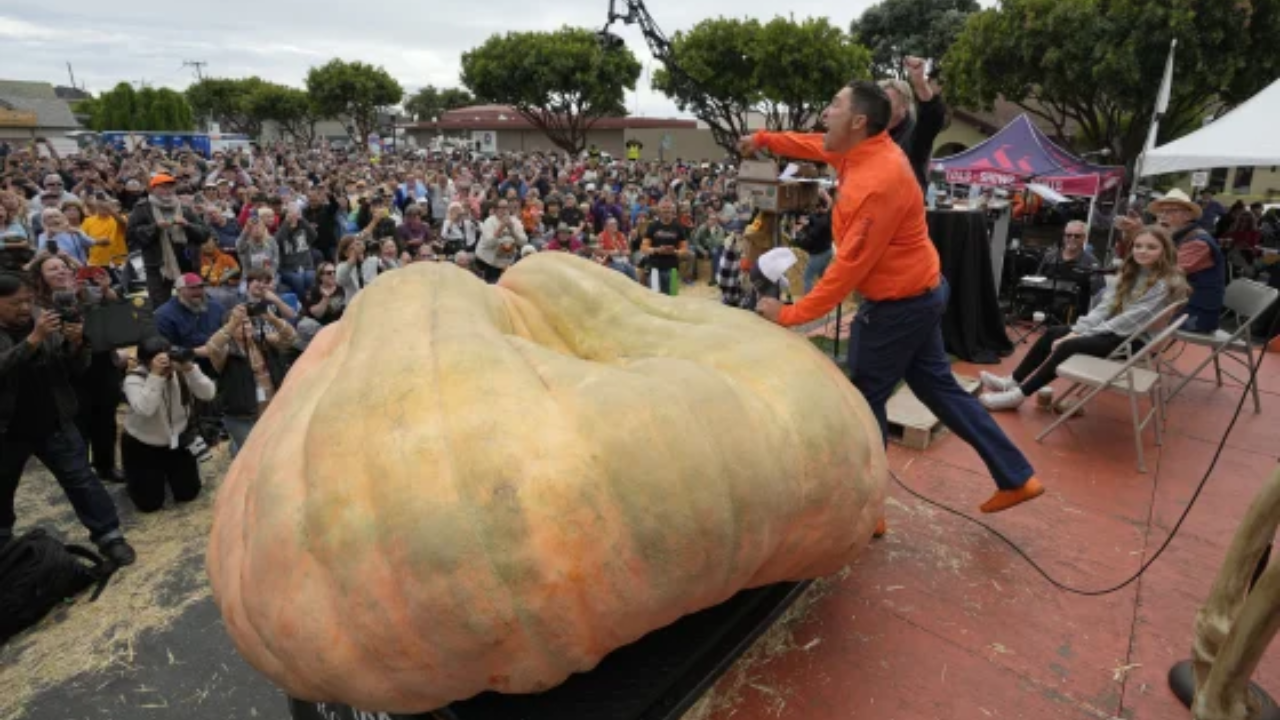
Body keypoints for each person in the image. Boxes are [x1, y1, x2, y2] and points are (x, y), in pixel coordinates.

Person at [741, 80, 1044, 527]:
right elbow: (813, 144)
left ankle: (871, 510)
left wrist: (789, 314)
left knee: (864, 399)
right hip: (920, 292)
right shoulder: (861, 150)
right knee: (939, 390)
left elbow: (848, 270)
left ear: (859, 121)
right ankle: (1017, 476)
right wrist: (765, 139)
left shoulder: (877, 181)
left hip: (899, 305)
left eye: (834, 105)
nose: (825, 113)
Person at [0, 271, 135, 565]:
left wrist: (75, 345)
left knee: (82, 481)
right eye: (15, 303)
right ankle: (5, 548)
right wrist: (33, 340)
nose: (24, 308)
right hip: (7, 430)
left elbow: (73, 370)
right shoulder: (37, 329)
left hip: (53, 420)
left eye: (28, 301)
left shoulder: (43, 319)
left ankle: (109, 537)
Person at [980, 225, 1188, 410]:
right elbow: (1105, 308)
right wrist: (1078, 330)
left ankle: (1019, 395)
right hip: (1118, 333)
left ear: (1165, 251)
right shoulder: (1132, 273)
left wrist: (1075, 337)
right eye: (1138, 246)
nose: (1142, 251)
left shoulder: (1164, 283)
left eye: (1151, 247)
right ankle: (1013, 381)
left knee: (1068, 345)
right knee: (1053, 332)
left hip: (1134, 342)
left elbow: (1127, 322)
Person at [120, 335, 216, 512]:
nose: (166, 364)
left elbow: (208, 394)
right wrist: (156, 376)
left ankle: (164, 477)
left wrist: (190, 369)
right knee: (150, 505)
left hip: (177, 439)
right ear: (145, 361)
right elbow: (145, 410)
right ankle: (141, 481)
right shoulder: (134, 379)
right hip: (143, 444)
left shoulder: (180, 371)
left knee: (188, 494)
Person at [126, 174, 211, 307]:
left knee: (194, 303)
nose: (168, 191)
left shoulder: (184, 209)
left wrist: (187, 225)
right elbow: (131, 236)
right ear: (153, 189)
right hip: (158, 267)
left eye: (171, 187)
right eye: (163, 187)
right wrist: (155, 228)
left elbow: (205, 234)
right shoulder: (142, 209)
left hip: (187, 265)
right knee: (160, 306)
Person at [1147, 189, 1225, 334]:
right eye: (1160, 212)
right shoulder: (1173, 237)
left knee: (1127, 305)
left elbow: (1164, 274)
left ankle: (1119, 348)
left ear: (1188, 216)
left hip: (1194, 314)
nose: (1163, 216)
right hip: (1176, 304)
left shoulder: (1198, 243)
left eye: (1170, 211)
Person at [639, 199, 689, 295]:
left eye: (668, 208)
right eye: (664, 208)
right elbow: (643, 247)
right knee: (655, 296)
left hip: (672, 267)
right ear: (659, 210)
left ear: (673, 210)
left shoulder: (678, 227)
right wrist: (657, 250)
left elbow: (685, 249)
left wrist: (675, 251)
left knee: (672, 296)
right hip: (655, 267)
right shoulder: (653, 226)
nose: (666, 210)